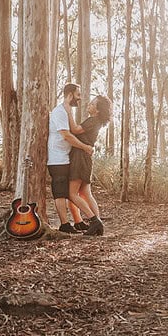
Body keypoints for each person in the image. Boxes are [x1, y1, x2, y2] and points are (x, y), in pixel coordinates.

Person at [47, 83, 100, 233]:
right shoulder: (60, 112)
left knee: (70, 193)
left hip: (66, 158)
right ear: (70, 95)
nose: (80, 98)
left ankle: (90, 222)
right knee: (61, 192)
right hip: (57, 158)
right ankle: (67, 224)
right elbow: (67, 134)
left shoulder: (66, 112)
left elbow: (74, 132)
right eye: (78, 95)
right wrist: (85, 147)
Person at [67, 94, 111, 236]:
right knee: (85, 193)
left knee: (71, 194)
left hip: (80, 158)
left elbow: (75, 130)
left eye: (92, 104)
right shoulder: (95, 121)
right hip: (84, 158)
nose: (89, 105)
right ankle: (98, 225)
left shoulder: (93, 120)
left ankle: (94, 221)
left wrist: (68, 111)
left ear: (97, 110)